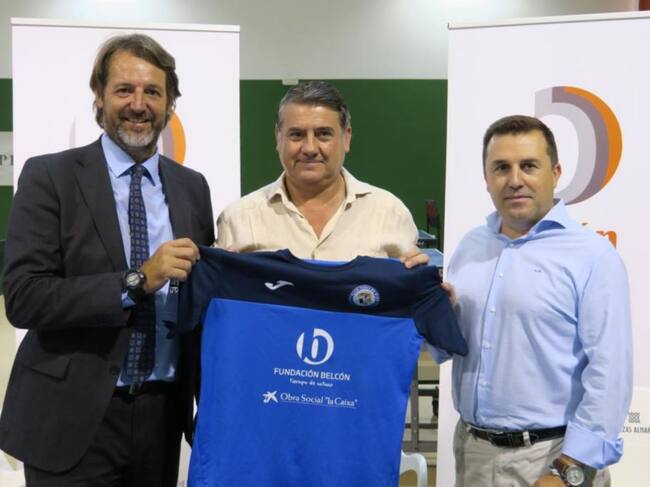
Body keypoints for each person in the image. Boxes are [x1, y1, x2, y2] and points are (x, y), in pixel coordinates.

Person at [0, 34, 214, 487]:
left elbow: (200, 303)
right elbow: (24, 297)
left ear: (170, 103)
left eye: (152, 91)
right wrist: (136, 281)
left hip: (161, 415)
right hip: (70, 417)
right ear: (99, 95)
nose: (138, 104)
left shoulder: (192, 187)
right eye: (124, 90)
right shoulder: (50, 176)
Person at [431, 115, 632, 487]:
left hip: (552, 459)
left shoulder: (592, 256)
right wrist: (429, 307)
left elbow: (610, 374)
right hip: (473, 453)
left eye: (529, 166)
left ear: (555, 173)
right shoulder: (470, 247)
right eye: (501, 168)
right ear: (486, 177)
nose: (514, 179)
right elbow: (451, 346)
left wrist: (568, 469)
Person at [216, 80, 425, 266]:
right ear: (278, 138)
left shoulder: (390, 214)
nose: (310, 148)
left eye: (323, 134)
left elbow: (411, 292)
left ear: (346, 138)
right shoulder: (238, 220)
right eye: (296, 135)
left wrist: (428, 287)